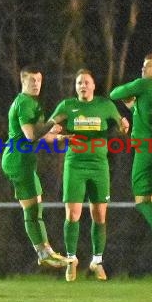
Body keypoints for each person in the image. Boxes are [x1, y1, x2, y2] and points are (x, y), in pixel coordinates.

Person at [49, 69, 129, 281]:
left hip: (99, 166)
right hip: (75, 165)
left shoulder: (105, 105)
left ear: (94, 85)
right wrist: (60, 137)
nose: (82, 86)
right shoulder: (67, 106)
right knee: (72, 214)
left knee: (100, 215)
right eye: (79, 83)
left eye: (86, 82)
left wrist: (124, 126)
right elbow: (49, 133)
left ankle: (97, 261)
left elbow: (121, 126)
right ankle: (71, 260)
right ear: (76, 87)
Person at [109, 52, 152, 273]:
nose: (142, 69)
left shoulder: (144, 85)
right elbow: (149, 114)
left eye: (147, 66)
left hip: (147, 150)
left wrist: (133, 91)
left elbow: (114, 93)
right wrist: (135, 107)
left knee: (141, 201)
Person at [1, 65, 73, 269]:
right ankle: (43, 251)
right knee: (33, 210)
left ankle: (44, 250)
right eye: (31, 81)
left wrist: (60, 137)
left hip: (23, 162)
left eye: (39, 80)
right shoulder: (24, 102)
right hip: (18, 161)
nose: (36, 84)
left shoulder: (32, 103)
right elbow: (31, 135)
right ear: (22, 81)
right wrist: (52, 122)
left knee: (34, 206)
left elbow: (41, 135)